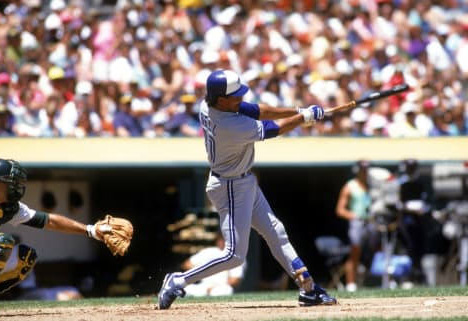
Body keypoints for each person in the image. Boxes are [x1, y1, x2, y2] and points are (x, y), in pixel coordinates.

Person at [157, 69, 336, 309]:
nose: (241, 99)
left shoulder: (210, 104)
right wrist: (305, 118)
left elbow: (257, 110)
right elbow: (272, 129)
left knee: (276, 232)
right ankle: (177, 280)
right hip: (230, 186)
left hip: (242, 181)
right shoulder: (229, 125)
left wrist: (300, 110)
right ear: (222, 100)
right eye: (236, 96)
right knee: (234, 255)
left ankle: (309, 289)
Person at [0, 158, 120, 316]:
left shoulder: (9, 207)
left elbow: (49, 221)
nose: (15, 187)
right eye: (10, 182)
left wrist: (90, 230)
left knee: (26, 256)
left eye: (16, 182)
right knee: (1, 243)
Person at [335, 160, 374, 292]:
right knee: (354, 253)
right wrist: (354, 216)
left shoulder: (371, 186)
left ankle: (382, 281)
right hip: (357, 222)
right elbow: (340, 210)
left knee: (378, 250)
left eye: (366, 170)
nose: (365, 172)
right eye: (362, 170)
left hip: (371, 222)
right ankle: (351, 284)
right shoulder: (349, 186)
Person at [181, 232, 245, 297]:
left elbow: (235, 279)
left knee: (226, 290)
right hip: (202, 287)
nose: (221, 242)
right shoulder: (209, 251)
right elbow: (187, 264)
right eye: (220, 239)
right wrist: (199, 274)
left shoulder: (235, 256)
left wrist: (215, 287)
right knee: (184, 289)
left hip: (220, 288)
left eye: (224, 239)